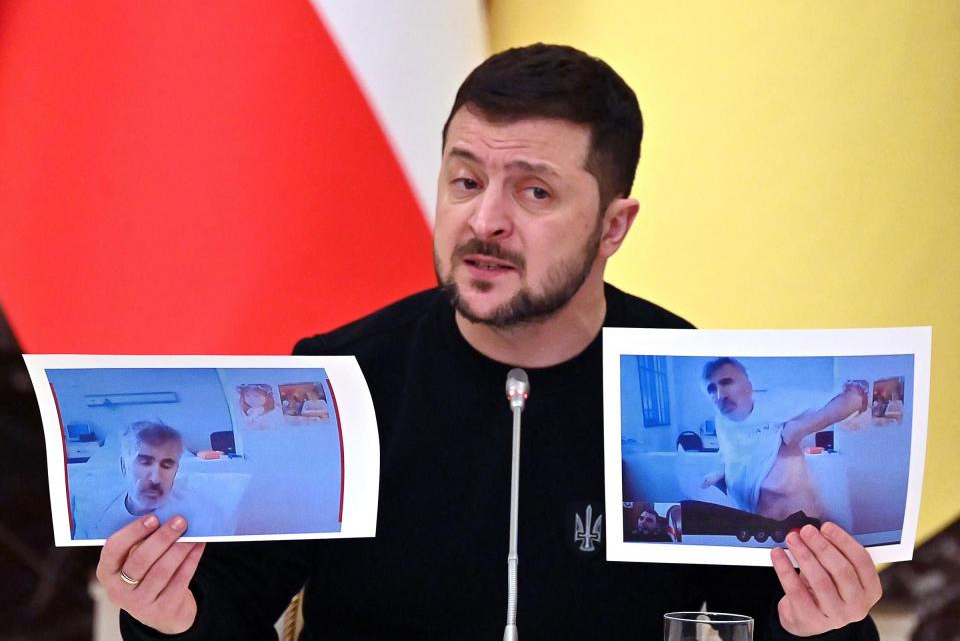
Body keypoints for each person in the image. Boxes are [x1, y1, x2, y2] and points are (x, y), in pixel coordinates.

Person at [97, 44, 881, 639]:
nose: (485, 222)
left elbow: (775, 614)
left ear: (613, 226)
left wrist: (830, 625)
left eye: (534, 192)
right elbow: (220, 614)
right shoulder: (342, 379)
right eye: (465, 181)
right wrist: (165, 616)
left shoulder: (676, 368)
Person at [700, 358, 867, 522]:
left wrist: (802, 428)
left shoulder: (777, 403)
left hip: (794, 524)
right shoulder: (722, 421)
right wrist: (718, 473)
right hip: (754, 523)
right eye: (711, 389)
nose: (720, 395)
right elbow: (730, 451)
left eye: (727, 382)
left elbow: (853, 400)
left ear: (748, 387)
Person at [77, 421, 224, 539]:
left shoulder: (201, 517)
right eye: (145, 463)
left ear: (176, 470)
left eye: (167, 465)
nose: (155, 479)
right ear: (123, 466)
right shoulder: (93, 512)